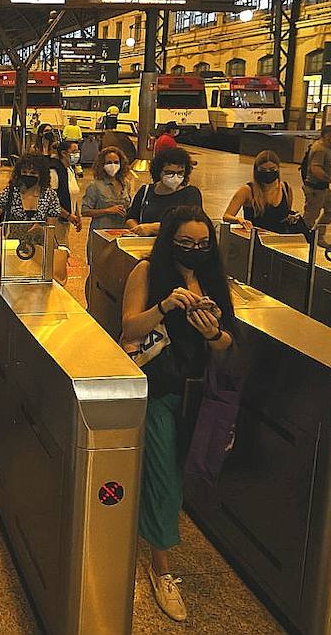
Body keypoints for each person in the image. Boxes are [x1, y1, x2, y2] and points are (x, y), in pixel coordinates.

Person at [120, 205, 240, 623]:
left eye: (202, 244)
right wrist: (166, 307)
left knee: (181, 468)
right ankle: (161, 568)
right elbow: (129, 329)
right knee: (166, 478)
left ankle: (151, 529)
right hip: (158, 389)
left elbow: (228, 344)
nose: (194, 250)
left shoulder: (212, 279)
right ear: (170, 240)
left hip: (197, 392)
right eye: (186, 243)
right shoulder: (147, 273)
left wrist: (213, 333)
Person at [223, 150, 307, 234]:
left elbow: (286, 214)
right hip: (256, 239)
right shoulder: (247, 191)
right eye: (263, 170)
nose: (268, 173)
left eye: (272, 169)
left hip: (279, 240)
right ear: (256, 171)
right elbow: (226, 216)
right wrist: (239, 220)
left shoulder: (286, 189)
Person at [127, 147, 202, 236]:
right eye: (169, 172)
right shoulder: (145, 191)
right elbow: (131, 217)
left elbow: (191, 223)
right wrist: (138, 229)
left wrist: (152, 228)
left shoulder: (191, 193)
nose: (175, 177)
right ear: (159, 171)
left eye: (180, 173)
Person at [79, 145, 132, 270]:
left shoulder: (126, 184)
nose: (113, 165)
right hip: (101, 234)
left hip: (121, 234)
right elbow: (85, 211)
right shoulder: (95, 186)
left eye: (116, 162)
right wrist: (108, 210)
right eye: (109, 162)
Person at [0, 154, 63, 224]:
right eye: (24, 172)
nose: (28, 175)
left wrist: (41, 229)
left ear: (41, 175)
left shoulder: (50, 195)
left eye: (33, 173)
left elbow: (51, 228)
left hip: (39, 244)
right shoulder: (10, 192)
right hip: (11, 244)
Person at [301, 124, 331, 242]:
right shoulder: (320, 149)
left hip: (323, 188)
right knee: (310, 217)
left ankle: (317, 235)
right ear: (327, 136)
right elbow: (315, 169)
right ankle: (303, 237)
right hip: (315, 189)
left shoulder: (325, 148)